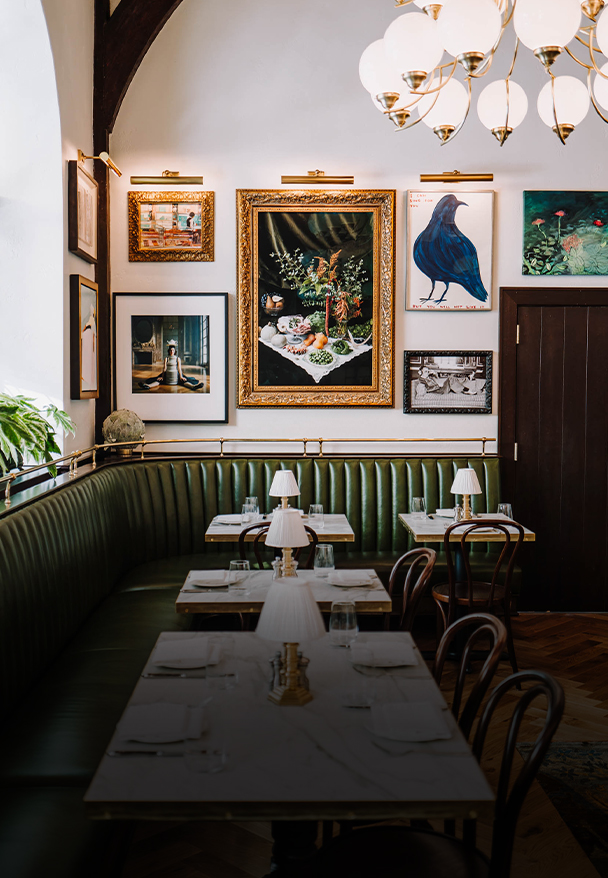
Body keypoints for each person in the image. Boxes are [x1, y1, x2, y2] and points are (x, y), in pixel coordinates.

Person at [138, 344, 204, 390]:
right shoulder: (166, 358)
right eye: (170, 350)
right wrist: (162, 376)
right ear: (169, 351)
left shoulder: (177, 358)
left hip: (176, 373)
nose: (172, 351)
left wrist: (181, 376)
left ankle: (193, 387)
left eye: (173, 350)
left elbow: (179, 368)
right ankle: (148, 386)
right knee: (159, 380)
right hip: (167, 373)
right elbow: (164, 368)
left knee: (183, 380)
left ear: (175, 351)